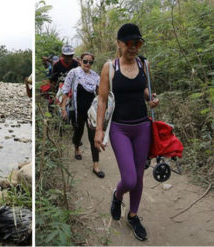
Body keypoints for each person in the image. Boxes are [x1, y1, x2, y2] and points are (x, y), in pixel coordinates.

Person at [94, 23, 159, 241]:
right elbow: (102, 100)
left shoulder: (144, 64)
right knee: (129, 179)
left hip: (143, 127)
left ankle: (133, 215)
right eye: (130, 43)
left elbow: (145, 89)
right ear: (120, 44)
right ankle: (117, 195)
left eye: (138, 43)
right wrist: (99, 130)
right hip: (120, 129)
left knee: (139, 177)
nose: (134, 47)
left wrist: (151, 98)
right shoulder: (109, 68)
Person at [61, 52, 104, 178]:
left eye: (90, 62)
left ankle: (96, 165)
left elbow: (99, 94)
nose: (88, 64)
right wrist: (63, 108)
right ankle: (77, 148)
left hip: (91, 112)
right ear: (80, 61)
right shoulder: (73, 73)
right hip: (77, 110)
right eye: (85, 61)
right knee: (78, 131)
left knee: (93, 136)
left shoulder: (95, 76)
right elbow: (65, 90)